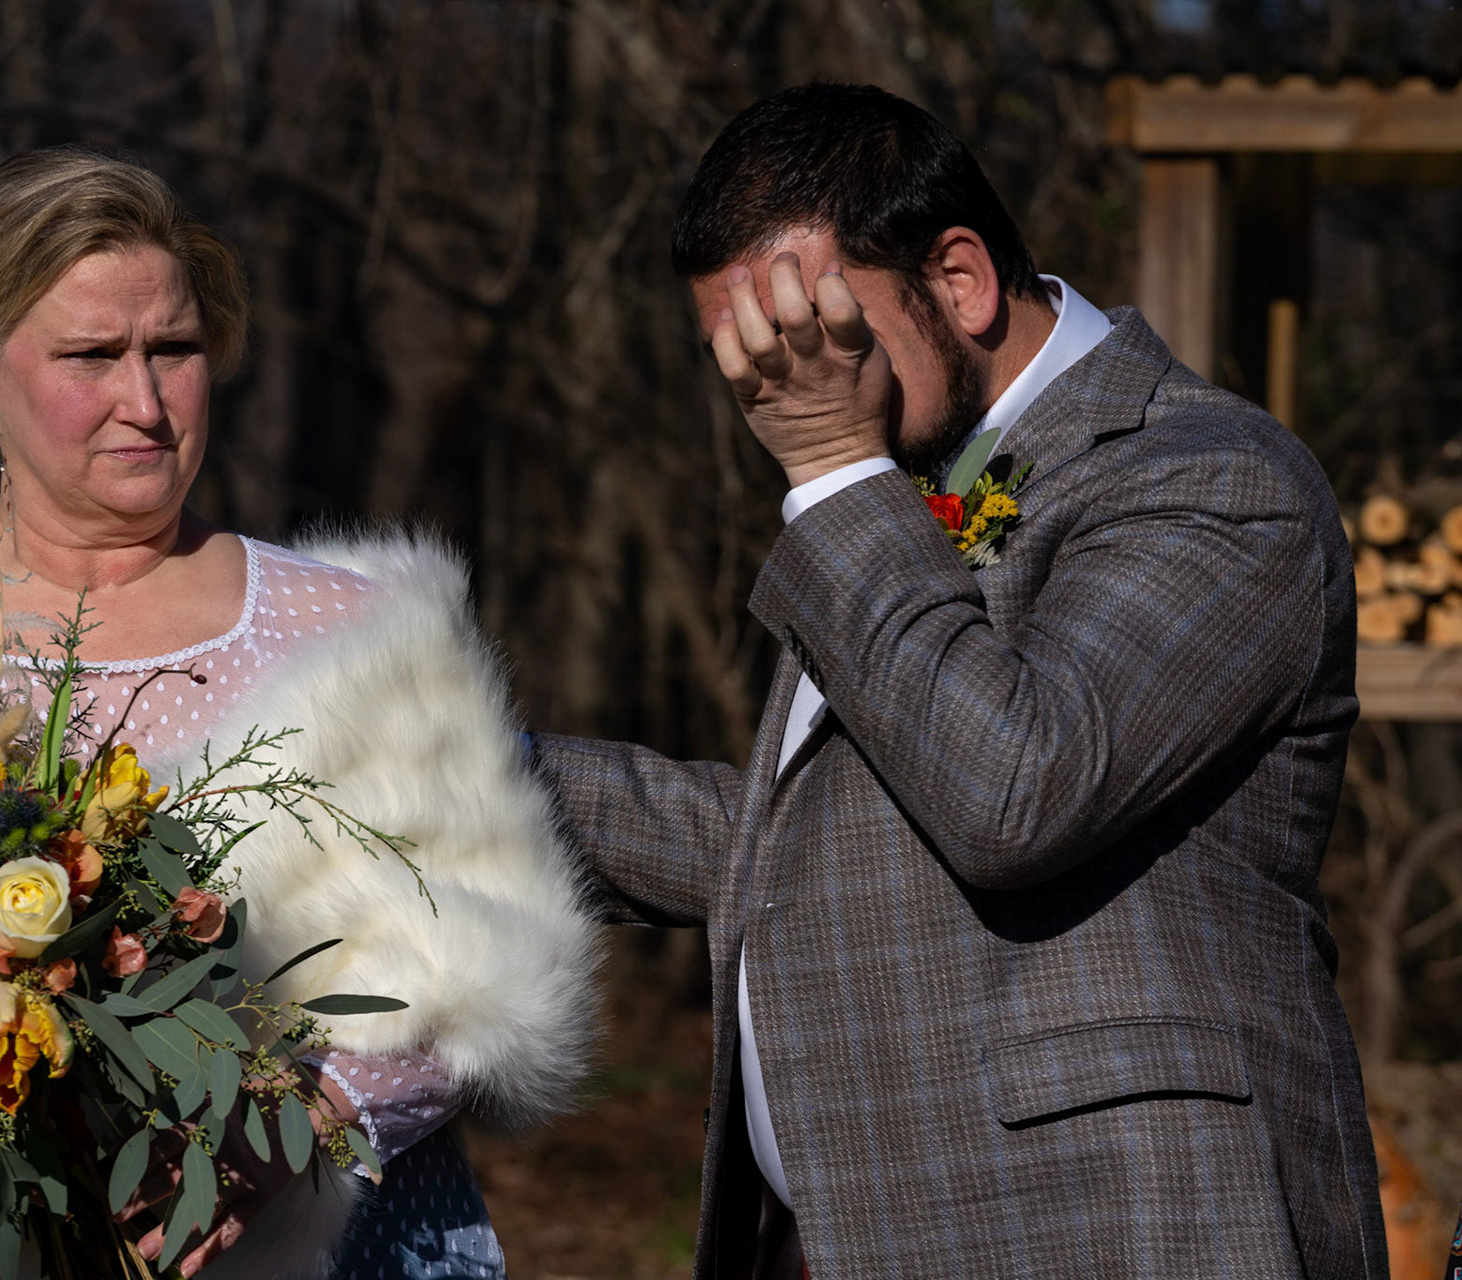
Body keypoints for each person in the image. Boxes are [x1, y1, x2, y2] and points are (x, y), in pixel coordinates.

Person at [529, 83, 1386, 1278]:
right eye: (746, 356)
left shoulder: (1213, 476)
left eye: (808, 329)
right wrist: (468, 776)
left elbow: (1015, 789)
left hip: (1109, 1234)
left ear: (962, 280)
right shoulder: (907, 477)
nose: (778, 389)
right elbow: (808, 838)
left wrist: (834, 469)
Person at [0, 147, 599, 1279]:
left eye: (173, 349)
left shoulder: (369, 635)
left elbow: (503, 977)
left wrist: (292, 1128)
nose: (146, 400)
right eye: (93, 354)